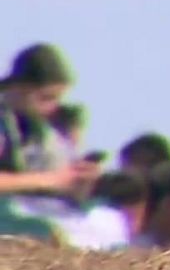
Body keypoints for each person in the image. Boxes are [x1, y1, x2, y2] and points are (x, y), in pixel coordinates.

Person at [0, 43, 100, 199]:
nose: (54, 107)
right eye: (46, 98)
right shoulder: (5, 121)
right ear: (18, 88)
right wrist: (52, 180)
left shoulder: (57, 126)